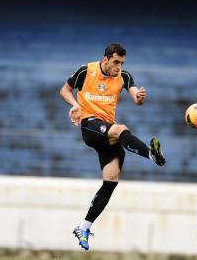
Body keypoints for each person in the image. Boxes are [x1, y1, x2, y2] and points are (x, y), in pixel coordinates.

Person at [59, 43, 166, 250]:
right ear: (105, 59)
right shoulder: (86, 70)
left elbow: (135, 97)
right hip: (90, 126)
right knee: (120, 129)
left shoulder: (124, 76)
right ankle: (152, 155)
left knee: (111, 180)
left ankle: (84, 227)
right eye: (116, 62)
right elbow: (64, 90)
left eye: (122, 62)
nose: (119, 66)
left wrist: (139, 97)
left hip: (106, 133)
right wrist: (75, 105)